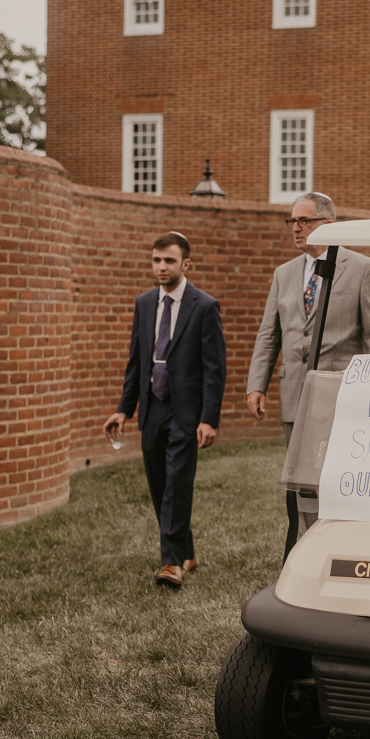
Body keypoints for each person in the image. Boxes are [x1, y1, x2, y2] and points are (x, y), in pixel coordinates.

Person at [246, 191, 370, 529]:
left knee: (335, 476)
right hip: (294, 393)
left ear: (329, 224)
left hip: (340, 396)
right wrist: (256, 385)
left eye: (304, 220)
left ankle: (337, 540)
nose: (295, 228)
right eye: (292, 221)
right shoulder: (284, 273)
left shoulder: (363, 269)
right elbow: (269, 334)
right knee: (298, 479)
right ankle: (302, 544)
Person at [103, 232, 227, 589]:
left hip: (186, 411)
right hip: (152, 407)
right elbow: (136, 360)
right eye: (156, 259)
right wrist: (124, 409)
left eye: (169, 260)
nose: (161, 267)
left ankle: (171, 564)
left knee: (177, 483)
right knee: (159, 483)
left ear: (185, 264)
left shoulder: (204, 306)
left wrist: (209, 418)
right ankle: (186, 550)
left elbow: (214, 368)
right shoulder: (144, 303)